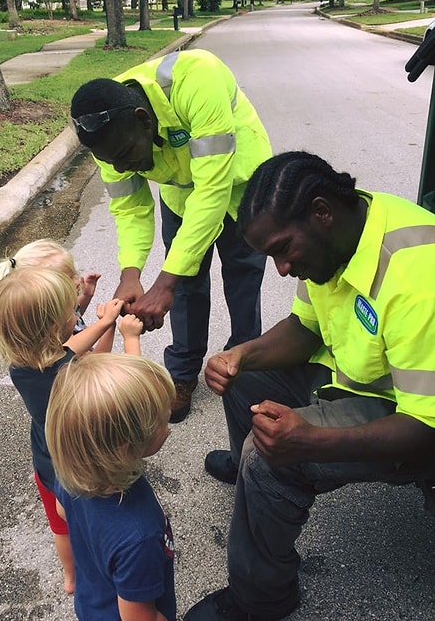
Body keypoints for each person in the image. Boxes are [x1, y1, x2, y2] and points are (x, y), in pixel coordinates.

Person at [184, 151, 435, 620]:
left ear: (322, 213)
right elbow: (306, 329)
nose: (280, 269)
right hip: (352, 378)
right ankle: (248, 476)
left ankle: (260, 598)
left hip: (405, 413)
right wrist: (242, 354)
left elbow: (426, 427)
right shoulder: (339, 237)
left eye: (283, 250)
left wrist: (310, 441)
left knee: (271, 460)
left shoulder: (418, 275)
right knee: (246, 381)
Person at [70, 49, 272, 422]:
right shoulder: (106, 137)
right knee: (187, 286)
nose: (121, 166)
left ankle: (244, 364)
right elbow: (130, 208)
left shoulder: (198, 77)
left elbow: (213, 189)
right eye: (111, 161)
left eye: (126, 154)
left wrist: (163, 282)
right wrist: (131, 274)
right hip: (182, 195)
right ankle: (182, 373)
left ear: (143, 120)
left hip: (240, 186)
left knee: (243, 277)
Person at [0, 265, 140, 594]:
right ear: (56, 328)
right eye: (71, 311)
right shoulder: (64, 370)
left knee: (58, 525)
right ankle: (104, 567)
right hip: (77, 461)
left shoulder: (21, 365)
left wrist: (103, 323)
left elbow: (75, 347)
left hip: (45, 458)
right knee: (86, 518)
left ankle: (71, 578)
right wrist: (112, 325)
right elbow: (95, 358)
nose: (76, 314)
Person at [46, 353, 176, 621]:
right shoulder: (138, 536)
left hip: (92, 603)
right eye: (163, 420)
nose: (168, 424)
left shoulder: (73, 473)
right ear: (125, 449)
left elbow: (61, 511)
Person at [0, 238, 109, 349]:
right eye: (68, 279)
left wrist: (86, 295)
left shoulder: (55, 313)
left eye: (74, 275)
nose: (77, 282)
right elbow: (97, 360)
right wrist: (107, 324)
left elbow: (74, 315)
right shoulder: (56, 336)